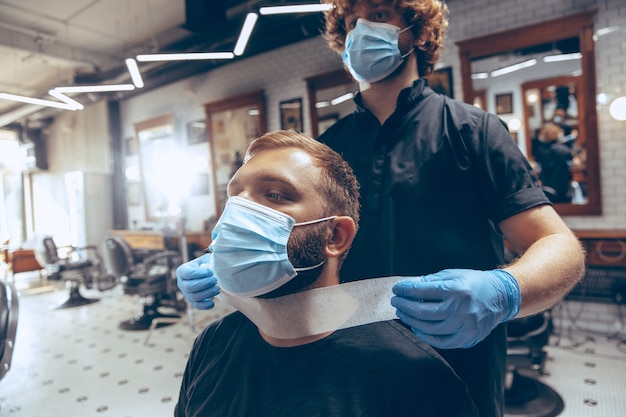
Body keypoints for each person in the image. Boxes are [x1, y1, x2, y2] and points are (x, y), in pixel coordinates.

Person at [176, 1, 586, 416]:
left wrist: (505, 291)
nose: (361, 31)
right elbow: (295, 243)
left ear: (419, 32)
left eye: (380, 15)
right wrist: (232, 260)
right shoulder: (327, 150)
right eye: (353, 22)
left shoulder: (471, 132)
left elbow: (560, 247)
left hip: (456, 361)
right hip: (345, 366)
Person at [174, 130, 478, 417]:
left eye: (276, 195)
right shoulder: (211, 344)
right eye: (235, 197)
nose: (237, 215)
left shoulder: (414, 378)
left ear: (334, 236)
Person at [532, 122, 574, 203]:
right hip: (562, 186)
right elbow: (571, 163)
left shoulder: (540, 151)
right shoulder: (564, 150)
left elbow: (537, 166)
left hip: (546, 186)